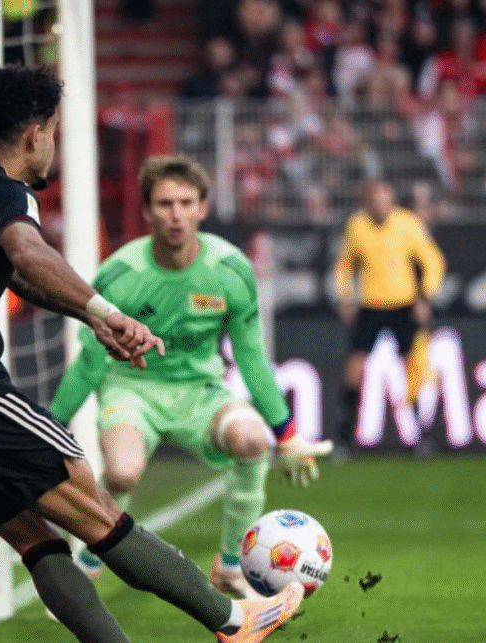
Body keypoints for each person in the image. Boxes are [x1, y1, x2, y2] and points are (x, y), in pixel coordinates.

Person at [0, 65, 303, 643]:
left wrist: (90, 320)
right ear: (35, 135)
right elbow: (25, 250)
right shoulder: (5, 192)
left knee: (35, 538)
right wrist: (105, 311)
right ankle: (234, 619)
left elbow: (17, 277)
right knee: (92, 504)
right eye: (56, 133)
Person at [50, 154, 334, 601]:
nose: (176, 214)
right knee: (123, 473)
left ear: (203, 207)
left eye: (186, 202)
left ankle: (230, 565)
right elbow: (90, 363)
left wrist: (289, 433)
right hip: (132, 388)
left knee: (251, 440)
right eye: (164, 204)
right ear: (147, 211)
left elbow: (251, 356)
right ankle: (86, 563)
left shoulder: (230, 271)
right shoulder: (121, 276)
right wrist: (49, 429)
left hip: (202, 392)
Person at [333, 179, 445, 454]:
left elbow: (433, 261)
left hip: (404, 306)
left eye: (385, 200)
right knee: (354, 370)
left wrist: (425, 297)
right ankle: (343, 439)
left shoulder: (408, 224)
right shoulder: (357, 226)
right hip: (370, 306)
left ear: (392, 201)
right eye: (375, 200)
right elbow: (345, 265)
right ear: (367, 202)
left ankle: (422, 437)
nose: (380, 206)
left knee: (413, 370)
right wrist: (345, 297)